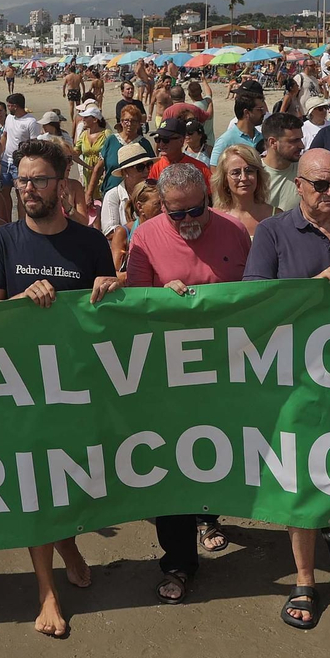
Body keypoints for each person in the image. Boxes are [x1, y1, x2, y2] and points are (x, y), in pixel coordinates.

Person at [0, 140, 118, 638]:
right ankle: (46, 590)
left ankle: (65, 541)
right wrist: (23, 299)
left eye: (38, 180)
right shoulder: (2, 241)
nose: (28, 190)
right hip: (21, 386)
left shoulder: (90, 243)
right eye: (21, 181)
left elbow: (107, 317)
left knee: (70, 479)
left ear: (61, 183)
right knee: (35, 486)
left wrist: (113, 289)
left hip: (76, 384)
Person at [243, 148, 330, 630]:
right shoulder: (272, 232)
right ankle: (304, 579)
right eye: (320, 185)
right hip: (294, 378)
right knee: (301, 474)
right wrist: (313, 288)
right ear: (297, 185)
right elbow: (256, 303)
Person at [124, 163, 252, 603]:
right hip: (168, 376)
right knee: (171, 463)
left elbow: (259, 299)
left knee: (218, 451)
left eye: (195, 211)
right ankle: (177, 560)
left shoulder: (235, 232)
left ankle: (209, 517)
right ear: (163, 207)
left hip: (227, 372)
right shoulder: (145, 237)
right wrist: (160, 298)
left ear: (208, 200)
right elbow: (134, 307)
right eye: (176, 214)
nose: (187, 221)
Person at [92, 101, 149, 195]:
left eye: (133, 121)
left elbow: (152, 170)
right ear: (121, 122)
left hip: (137, 195)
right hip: (110, 192)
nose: (129, 124)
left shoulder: (144, 144)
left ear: (139, 124)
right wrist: (89, 194)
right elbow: (98, 169)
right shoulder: (111, 140)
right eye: (126, 120)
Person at [211, 91, 267, 166]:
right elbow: (214, 169)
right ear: (247, 113)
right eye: (260, 109)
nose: (264, 112)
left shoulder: (262, 138)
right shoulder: (226, 141)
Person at [147, 117, 209, 182]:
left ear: (181, 141)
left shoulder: (200, 169)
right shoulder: (155, 168)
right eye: (158, 139)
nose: (161, 144)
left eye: (166, 140)